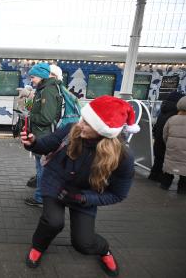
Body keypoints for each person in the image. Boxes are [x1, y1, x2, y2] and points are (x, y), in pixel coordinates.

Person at [20, 95, 139, 277]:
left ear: (104, 130)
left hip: (85, 194)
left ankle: (104, 250)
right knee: (53, 222)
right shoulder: (72, 129)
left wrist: (84, 198)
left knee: (83, 244)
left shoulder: (123, 156)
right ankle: (38, 247)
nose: (80, 124)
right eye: (84, 118)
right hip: (55, 183)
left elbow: (118, 194)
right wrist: (33, 143)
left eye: (88, 123)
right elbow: (47, 144)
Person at [24, 63, 62, 207]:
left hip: (44, 136)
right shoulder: (43, 90)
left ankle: (41, 198)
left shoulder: (48, 91)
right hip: (41, 135)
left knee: (43, 169)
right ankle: (42, 197)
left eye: (33, 77)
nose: (32, 80)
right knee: (42, 168)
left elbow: (46, 118)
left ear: (41, 76)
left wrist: (30, 116)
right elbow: (36, 110)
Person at [148, 91, 185, 182]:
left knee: (158, 162)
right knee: (168, 167)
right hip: (169, 145)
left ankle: (153, 179)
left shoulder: (163, 109)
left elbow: (157, 127)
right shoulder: (175, 113)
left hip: (159, 141)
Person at [160, 96, 186, 193]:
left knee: (169, 170)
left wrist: (169, 144)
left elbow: (165, 134)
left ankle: (164, 186)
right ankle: (182, 190)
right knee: (184, 174)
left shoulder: (172, 119)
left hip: (172, 149)